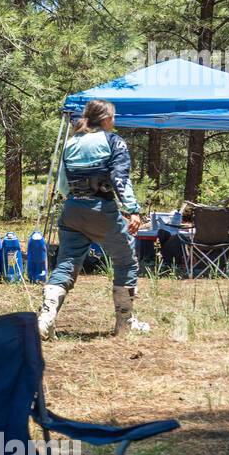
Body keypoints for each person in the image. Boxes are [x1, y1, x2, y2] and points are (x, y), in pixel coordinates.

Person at [39, 99, 149, 341]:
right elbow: (121, 179)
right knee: (126, 261)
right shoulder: (113, 141)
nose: (115, 121)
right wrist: (132, 210)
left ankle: (46, 318)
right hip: (101, 208)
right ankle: (125, 323)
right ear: (107, 118)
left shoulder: (71, 142)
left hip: (72, 210)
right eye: (114, 117)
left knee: (66, 263)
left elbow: (63, 185)